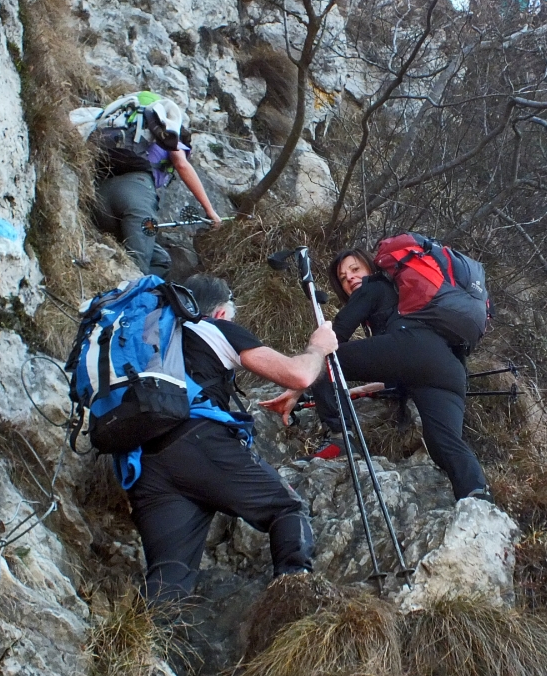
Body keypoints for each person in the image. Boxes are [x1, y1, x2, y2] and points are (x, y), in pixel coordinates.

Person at [124, 274, 336, 604]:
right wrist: (319, 347)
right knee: (285, 508)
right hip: (197, 442)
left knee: (171, 572)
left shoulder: (142, 339)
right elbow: (300, 373)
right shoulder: (211, 328)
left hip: (141, 460)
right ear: (222, 313)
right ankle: (294, 605)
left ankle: (133, 649)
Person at [260, 248, 492, 504]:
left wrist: (297, 385)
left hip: (411, 346)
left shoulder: (373, 286)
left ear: (371, 268)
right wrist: (359, 390)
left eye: (355, 269)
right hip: (448, 370)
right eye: (343, 276)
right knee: (443, 442)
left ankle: (340, 437)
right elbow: (398, 370)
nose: (349, 278)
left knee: (326, 358)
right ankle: (477, 495)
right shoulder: (405, 302)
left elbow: (334, 338)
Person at [89, 92, 222, 277]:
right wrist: (210, 211)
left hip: (98, 194)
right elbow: (181, 164)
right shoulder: (170, 139)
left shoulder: (130, 131)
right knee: (137, 270)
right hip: (137, 192)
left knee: (160, 260)